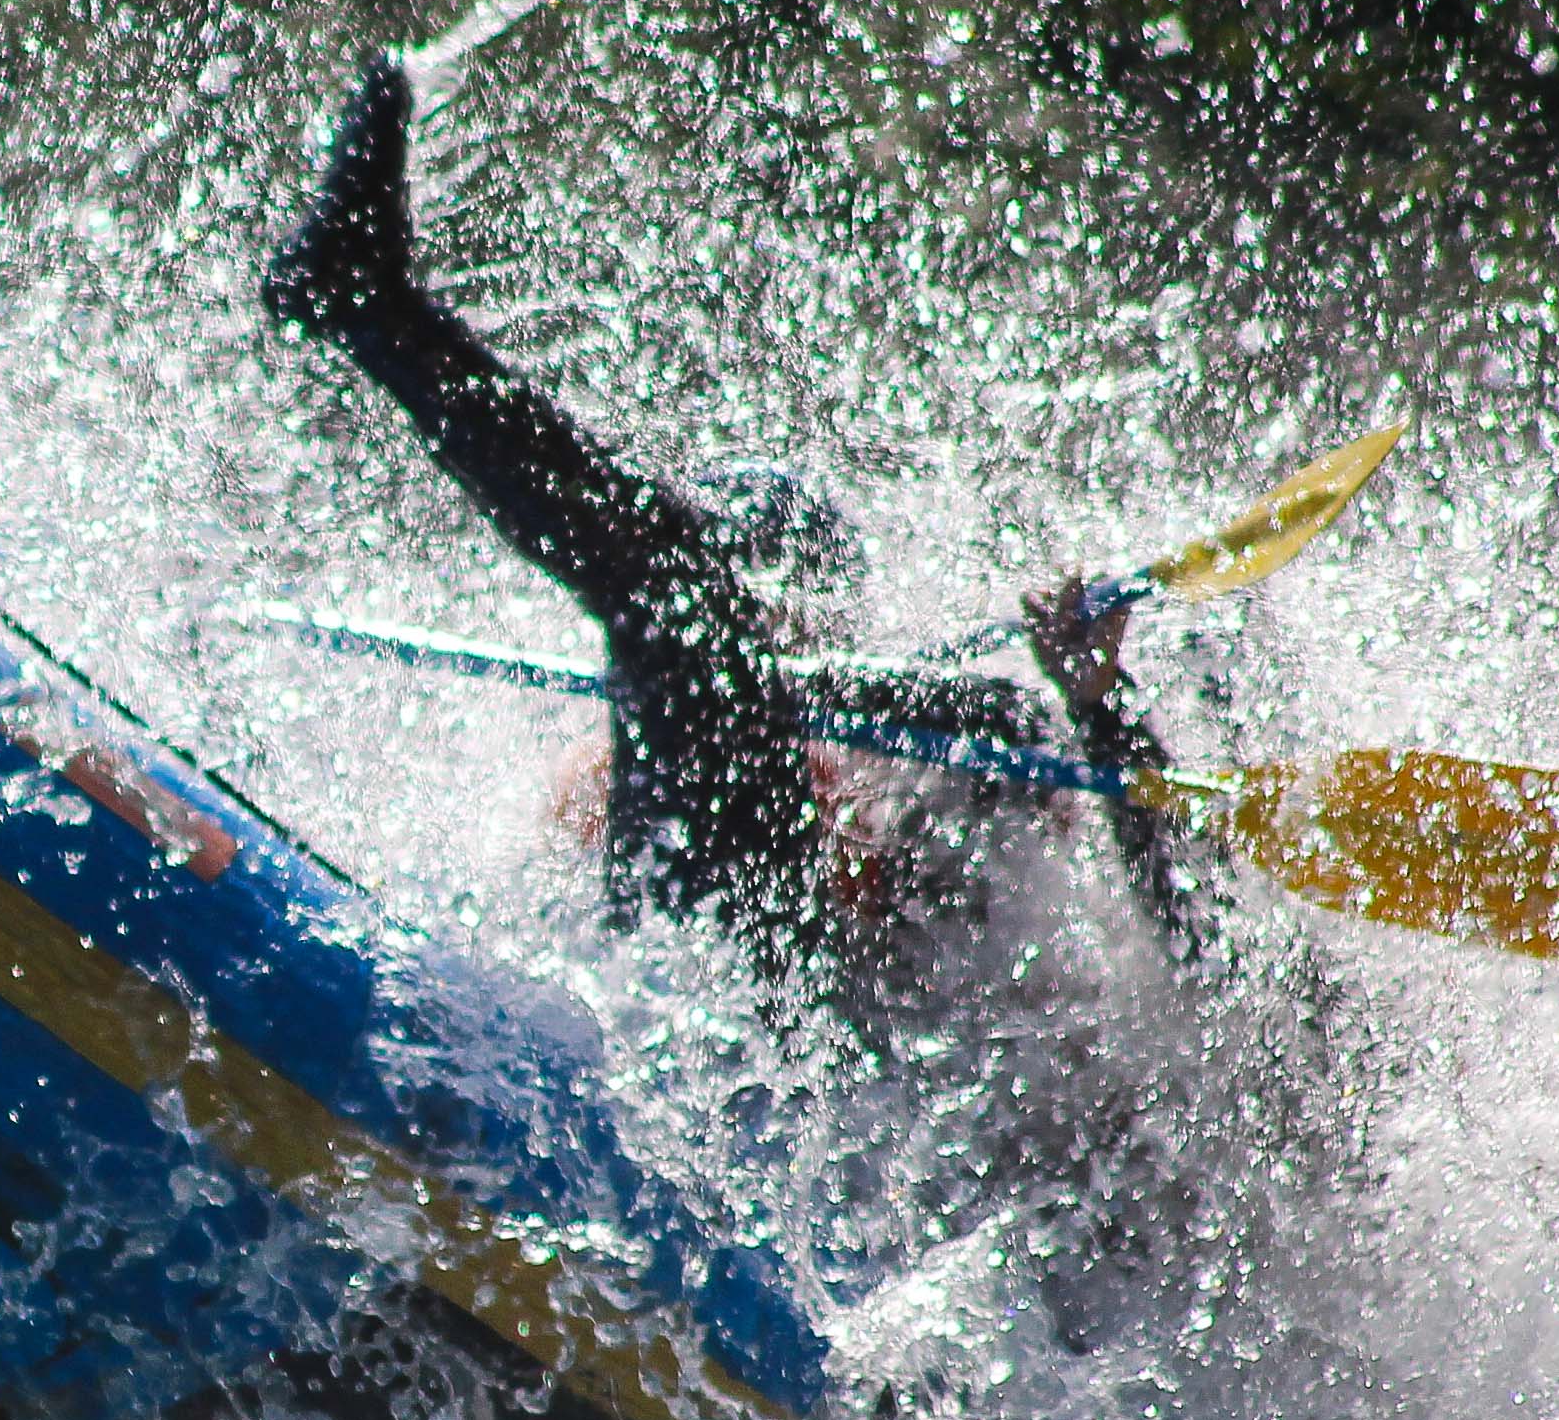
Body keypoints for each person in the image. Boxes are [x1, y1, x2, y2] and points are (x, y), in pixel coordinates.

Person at [261, 57, 1184, 984]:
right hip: (665, 998)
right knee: (686, 624)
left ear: (834, 620)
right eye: (734, 588)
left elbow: (1188, 940)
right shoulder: (638, 730)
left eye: (768, 601)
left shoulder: (938, 756)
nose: (745, 621)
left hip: (814, 1065)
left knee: (700, 619)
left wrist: (1099, 708)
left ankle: (363, 304)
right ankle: (363, 303)